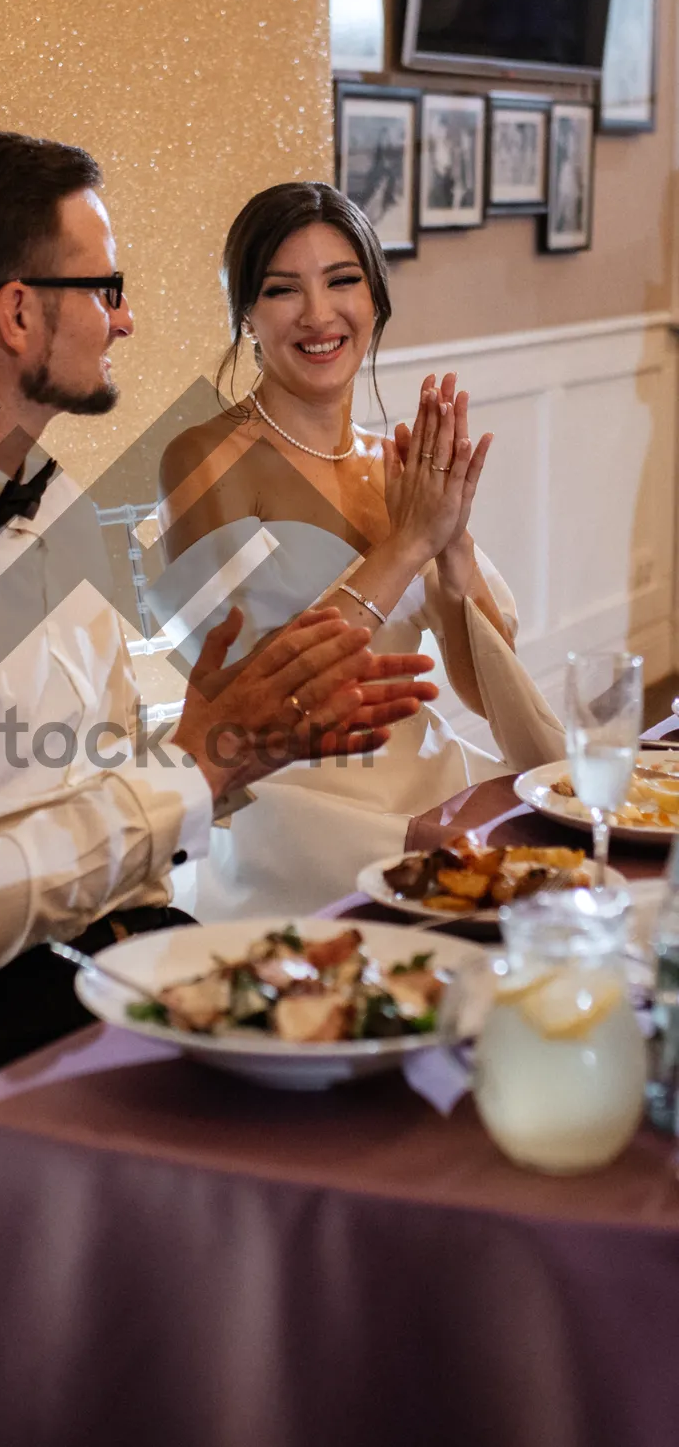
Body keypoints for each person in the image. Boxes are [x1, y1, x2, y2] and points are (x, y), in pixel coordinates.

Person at [0, 135, 436, 1173]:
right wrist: (200, 767)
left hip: (123, 951)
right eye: (104, 288)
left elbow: (107, 785)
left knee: (416, 1058)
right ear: (20, 312)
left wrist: (240, 744)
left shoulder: (55, 505)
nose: (126, 318)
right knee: (308, 1162)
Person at [153, 181, 564, 918]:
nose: (318, 315)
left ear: (374, 299)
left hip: (423, 771)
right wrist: (408, 543)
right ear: (245, 314)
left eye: (342, 281)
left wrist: (453, 544)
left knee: (569, 882)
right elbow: (264, 695)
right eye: (283, 291)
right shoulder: (202, 459)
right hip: (290, 806)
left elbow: (480, 684)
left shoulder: (395, 464)